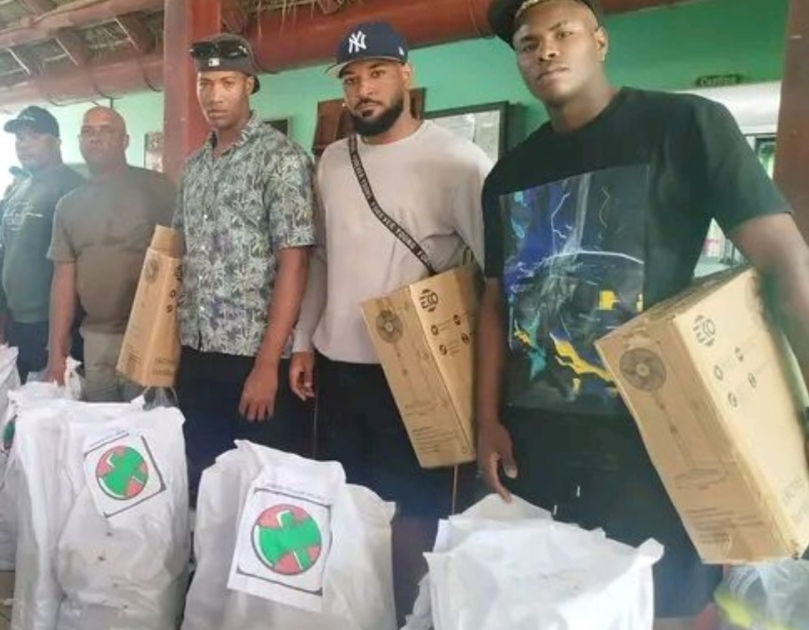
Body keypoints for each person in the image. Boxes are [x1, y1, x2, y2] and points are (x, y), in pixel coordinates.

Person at [477, 1, 809, 628]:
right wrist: (486, 419)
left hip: (659, 437)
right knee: (545, 604)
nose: (546, 51)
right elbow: (496, 303)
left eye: (563, 33)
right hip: (538, 441)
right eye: (528, 43)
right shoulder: (507, 175)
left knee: (665, 605)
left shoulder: (685, 127)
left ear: (599, 41)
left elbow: (788, 264)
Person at [289, 21, 493, 617]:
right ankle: (352, 614)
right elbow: (322, 258)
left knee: (419, 515)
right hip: (339, 367)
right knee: (348, 505)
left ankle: (410, 617)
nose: (363, 90)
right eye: (351, 79)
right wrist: (303, 341)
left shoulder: (458, 162)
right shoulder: (332, 161)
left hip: (421, 374)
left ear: (407, 74)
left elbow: (492, 275)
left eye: (377, 73)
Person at [175, 33, 316, 495]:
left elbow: (295, 264)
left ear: (249, 85)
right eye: (205, 83)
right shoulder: (193, 168)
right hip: (196, 352)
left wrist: (266, 366)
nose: (214, 96)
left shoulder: (282, 159)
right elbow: (181, 255)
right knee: (201, 477)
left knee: (259, 487)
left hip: (253, 358)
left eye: (228, 83)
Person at [44, 106, 176, 401]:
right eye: (88, 132)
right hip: (96, 339)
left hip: (150, 337)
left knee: (147, 426)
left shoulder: (158, 189)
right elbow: (63, 279)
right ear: (79, 141)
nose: (95, 137)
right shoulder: (68, 205)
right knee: (100, 425)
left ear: (125, 141)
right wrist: (56, 351)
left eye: (106, 131)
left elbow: (181, 258)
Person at [0, 106, 85, 377]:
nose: (23, 144)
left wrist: (63, 333)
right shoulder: (18, 191)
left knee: (56, 397)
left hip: (54, 323)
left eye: (34, 137)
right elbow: (7, 252)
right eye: (19, 138)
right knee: (25, 395)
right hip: (17, 321)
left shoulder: (73, 188)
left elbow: (81, 262)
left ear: (57, 142)